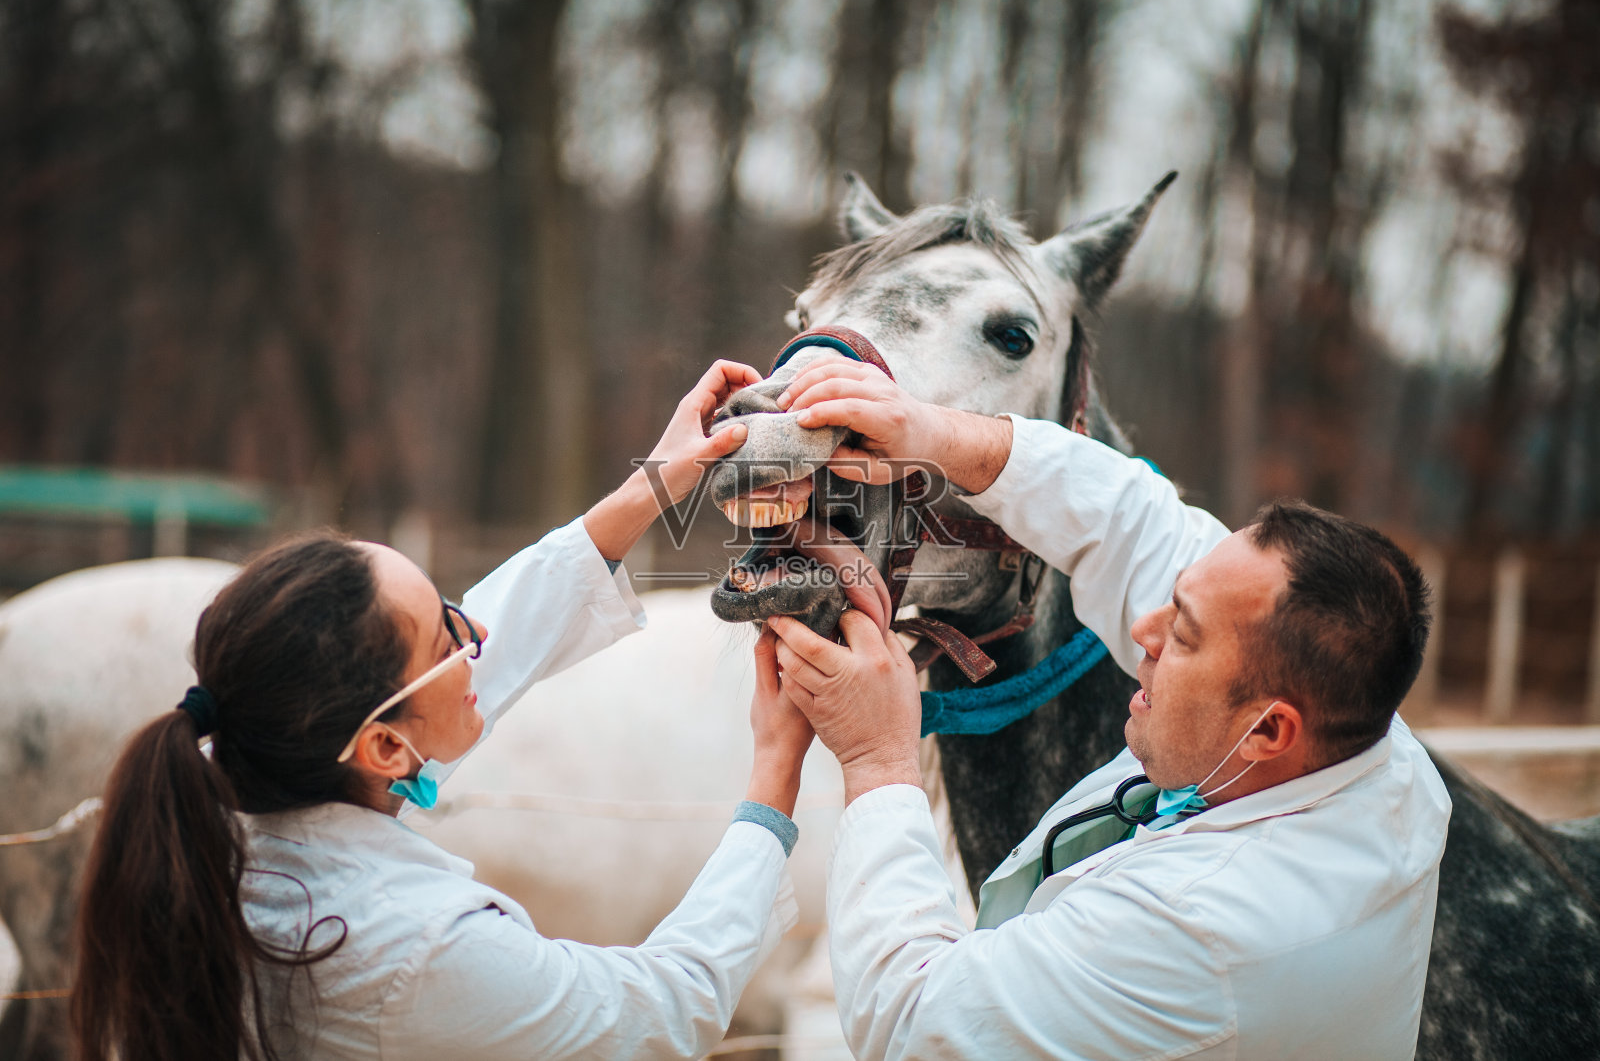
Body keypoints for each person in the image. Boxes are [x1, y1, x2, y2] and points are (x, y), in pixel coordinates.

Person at [70, 362, 818, 1061]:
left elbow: (490, 637)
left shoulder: (239, 779)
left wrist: (655, 482)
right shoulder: (419, 948)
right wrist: (775, 776)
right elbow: (658, 1010)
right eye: (447, 636)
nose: (478, 634)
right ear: (385, 749)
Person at [762, 357, 1453, 1060]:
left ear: (1269, 729)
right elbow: (1129, 518)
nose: (1144, 631)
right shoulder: (1363, 730)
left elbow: (916, 1022)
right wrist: (933, 433)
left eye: (1184, 634)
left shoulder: (1197, 930)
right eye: (1175, 596)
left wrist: (877, 760)